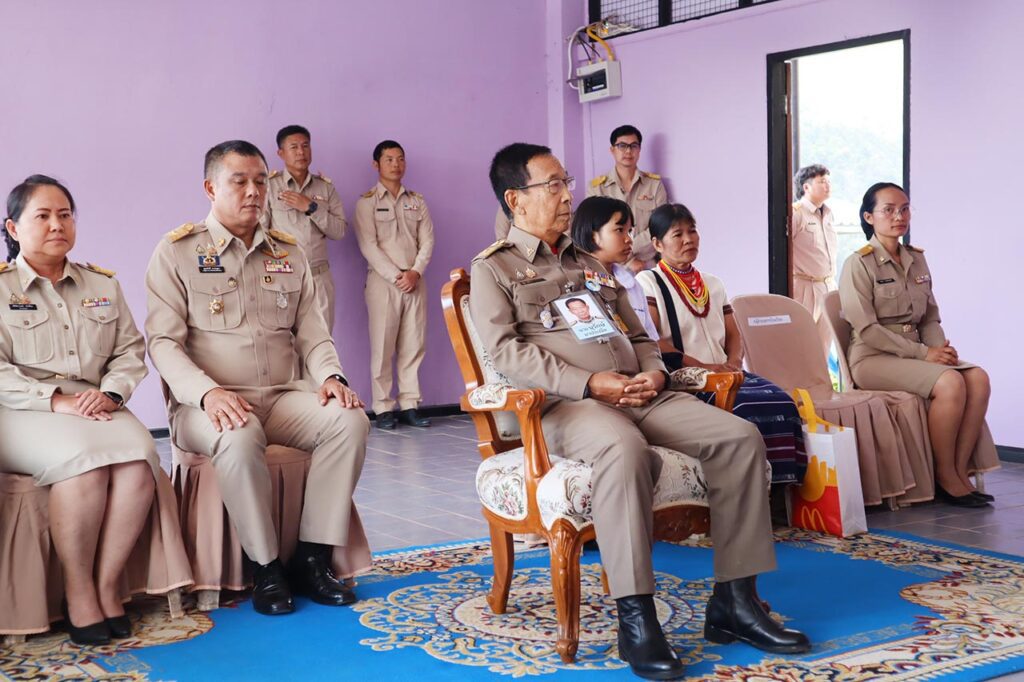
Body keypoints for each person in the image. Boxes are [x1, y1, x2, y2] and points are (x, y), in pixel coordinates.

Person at [474, 143, 809, 680]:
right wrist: (590, 383)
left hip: (640, 392)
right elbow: (507, 353)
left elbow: (638, 335)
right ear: (516, 199)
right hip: (567, 406)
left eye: (566, 182)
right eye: (553, 185)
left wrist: (653, 371)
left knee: (740, 437)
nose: (567, 195)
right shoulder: (494, 269)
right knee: (624, 450)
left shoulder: (589, 263)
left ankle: (736, 602)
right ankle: (637, 621)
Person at [145, 140, 371, 615]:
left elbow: (313, 332)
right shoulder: (178, 252)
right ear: (211, 188)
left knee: (349, 420)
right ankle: (266, 568)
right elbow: (163, 343)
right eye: (239, 181)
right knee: (239, 432)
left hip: (283, 396)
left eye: (260, 181)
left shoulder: (287, 251)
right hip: (207, 404)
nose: (253, 191)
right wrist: (207, 393)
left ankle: (312, 558)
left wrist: (331, 376)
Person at [0, 175, 189, 644]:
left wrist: (112, 393)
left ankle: (107, 585)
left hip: (94, 403)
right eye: (43, 216)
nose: (56, 224)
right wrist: (55, 400)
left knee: (139, 462)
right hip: (22, 410)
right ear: (14, 228)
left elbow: (129, 350)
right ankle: (79, 591)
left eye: (65, 215)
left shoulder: (101, 283)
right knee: (85, 468)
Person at [839, 182, 995, 508]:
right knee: (950, 383)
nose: (899, 216)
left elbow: (929, 318)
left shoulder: (916, 259)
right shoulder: (858, 263)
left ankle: (958, 469)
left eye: (905, 209)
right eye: (889, 210)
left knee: (977, 378)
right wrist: (925, 354)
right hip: (873, 358)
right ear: (869, 217)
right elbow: (867, 329)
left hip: (916, 355)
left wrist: (941, 351)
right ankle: (944, 475)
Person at [637, 204, 807, 485]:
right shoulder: (648, 282)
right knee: (745, 411)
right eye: (677, 234)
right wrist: (704, 367)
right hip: (687, 376)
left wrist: (733, 362)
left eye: (692, 231)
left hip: (723, 371)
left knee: (782, 403)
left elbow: (733, 333)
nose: (688, 239)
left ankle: (782, 491)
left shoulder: (712, 283)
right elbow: (655, 341)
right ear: (657, 244)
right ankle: (749, 487)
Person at [353, 140, 435, 430]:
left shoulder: (417, 201)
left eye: (400, 159)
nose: (396, 164)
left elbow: (427, 240)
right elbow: (368, 245)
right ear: (376, 164)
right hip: (384, 282)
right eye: (389, 159)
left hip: (415, 280)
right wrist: (396, 276)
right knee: (383, 346)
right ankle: (384, 407)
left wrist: (415, 272)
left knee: (414, 344)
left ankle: (410, 405)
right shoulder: (366, 203)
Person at [265, 124, 347, 332]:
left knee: (321, 342)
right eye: (294, 147)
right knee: (283, 342)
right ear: (281, 153)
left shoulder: (325, 187)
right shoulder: (270, 186)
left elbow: (339, 231)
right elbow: (259, 233)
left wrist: (311, 207)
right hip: (283, 277)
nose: (301, 152)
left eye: (305, 146)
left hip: (319, 278)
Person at [586, 125, 668, 272]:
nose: (628, 151)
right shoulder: (597, 188)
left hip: (648, 265)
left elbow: (661, 225)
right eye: (622, 146)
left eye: (633, 146)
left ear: (639, 150)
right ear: (612, 150)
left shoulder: (654, 185)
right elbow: (594, 230)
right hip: (610, 266)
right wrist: (628, 261)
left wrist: (631, 247)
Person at [790, 164, 837, 348]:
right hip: (804, 287)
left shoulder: (828, 213)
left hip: (828, 286)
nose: (828, 185)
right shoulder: (796, 213)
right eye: (822, 181)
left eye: (828, 181)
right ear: (806, 187)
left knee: (824, 345)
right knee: (801, 344)